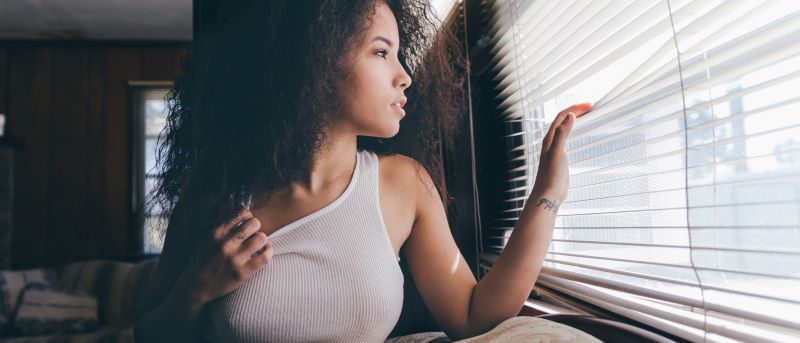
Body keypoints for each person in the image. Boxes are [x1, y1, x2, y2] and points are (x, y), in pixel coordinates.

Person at [133, 0, 591, 342]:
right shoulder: (213, 201)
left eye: (397, 53)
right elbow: (149, 335)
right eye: (380, 52)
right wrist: (195, 288)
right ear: (314, 61)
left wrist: (546, 196)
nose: (404, 74)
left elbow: (475, 316)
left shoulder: (403, 185)